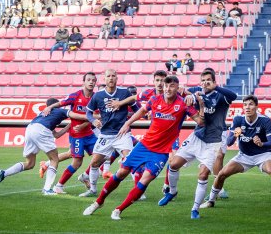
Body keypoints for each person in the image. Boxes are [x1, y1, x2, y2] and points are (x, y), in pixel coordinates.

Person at [82, 75, 205, 220]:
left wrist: (201, 105)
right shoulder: (154, 99)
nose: (167, 88)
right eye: (166, 86)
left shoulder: (183, 104)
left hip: (161, 153)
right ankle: (99, 201)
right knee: (121, 172)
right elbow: (141, 111)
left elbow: (201, 122)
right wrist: (127, 124)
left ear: (177, 88)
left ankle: (119, 209)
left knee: (144, 181)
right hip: (144, 145)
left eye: (171, 86)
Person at [200, 95, 271, 213]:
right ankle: (210, 201)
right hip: (244, 156)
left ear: (256, 106)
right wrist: (235, 134)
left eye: (251, 104)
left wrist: (261, 143)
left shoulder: (265, 120)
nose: (247, 107)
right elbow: (228, 142)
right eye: (245, 105)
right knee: (222, 174)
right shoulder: (238, 119)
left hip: (263, 155)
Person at [158, 69, 237, 219]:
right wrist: (188, 96)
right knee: (173, 164)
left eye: (209, 80)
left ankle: (195, 209)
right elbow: (185, 93)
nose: (205, 83)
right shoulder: (197, 91)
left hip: (213, 142)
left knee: (203, 174)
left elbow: (233, 96)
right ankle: (172, 191)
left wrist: (215, 88)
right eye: (203, 80)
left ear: (214, 82)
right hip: (197, 137)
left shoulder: (221, 95)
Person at [0, 98, 88, 195]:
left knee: (30, 164)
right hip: (41, 130)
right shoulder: (59, 110)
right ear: (57, 105)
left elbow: (56, 135)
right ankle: (47, 189)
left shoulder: (43, 114)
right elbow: (75, 115)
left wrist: (70, 125)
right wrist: (91, 117)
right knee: (54, 159)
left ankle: (4, 173)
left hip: (30, 129)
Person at [84, 69, 139, 198]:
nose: (111, 78)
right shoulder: (98, 96)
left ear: (117, 78)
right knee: (95, 163)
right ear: (104, 79)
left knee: (130, 160)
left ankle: (138, 191)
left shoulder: (124, 92)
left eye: (113, 76)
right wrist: (93, 120)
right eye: (108, 76)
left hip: (122, 134)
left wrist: (131, 119)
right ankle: (92, 190)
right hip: (105, 135)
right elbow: (88, 113)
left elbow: (137, 108)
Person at [39, 73, 99, 194]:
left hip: (89, 133)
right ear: (83, 82)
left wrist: (83, 125)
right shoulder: (75, 96)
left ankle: (85, 176)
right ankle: (59, 186)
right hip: (76, 136)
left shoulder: (96, 98)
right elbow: (61, 103)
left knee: (101, 157)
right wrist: (50, 107)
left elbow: (95, 116)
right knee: (77, 162)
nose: (91, 82)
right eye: (88, 80)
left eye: (93, 80)